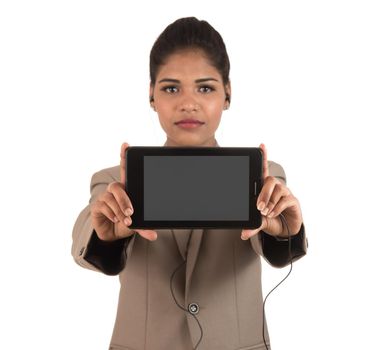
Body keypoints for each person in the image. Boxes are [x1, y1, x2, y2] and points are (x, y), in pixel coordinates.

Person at [72, 17, 307, 350]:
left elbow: (272, 245)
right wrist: (104, 235)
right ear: (151, 96)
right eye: (170, 88)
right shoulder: (115, 182)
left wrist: (284, 232)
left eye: (205, 87)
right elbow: (87, 235)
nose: (188, 102)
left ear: (228, 94)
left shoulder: (263, 177)